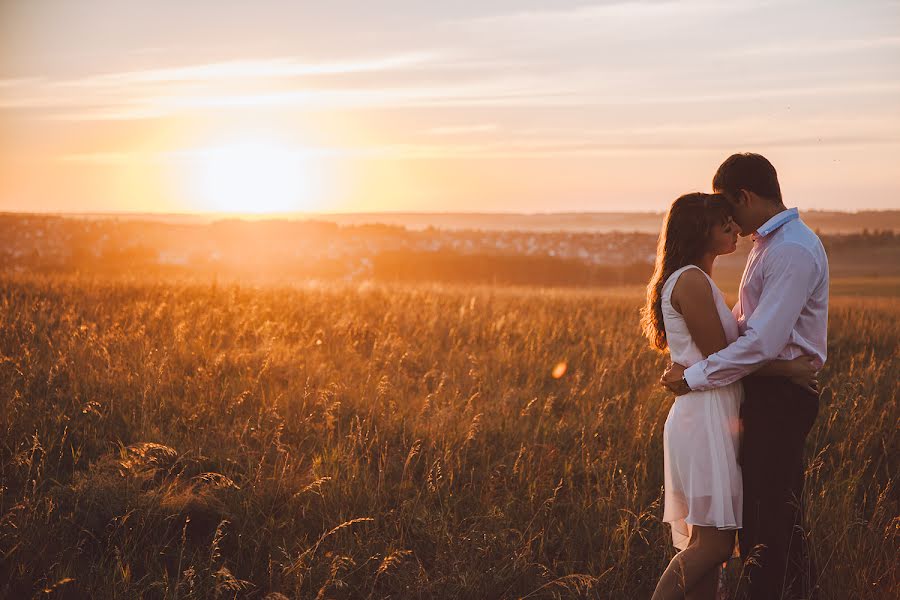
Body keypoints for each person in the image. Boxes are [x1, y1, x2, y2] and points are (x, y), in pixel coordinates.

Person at [660, 153, 828, 599]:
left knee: (768, 525)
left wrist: (693, 374)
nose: (729, 221)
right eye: (720, 221)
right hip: (741, 399)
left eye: (729, 209)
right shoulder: (767, 246)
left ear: (745, 196)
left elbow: (757, 343)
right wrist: (699, 370)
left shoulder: (788, 249)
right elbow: (742, 333)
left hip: (775, 398)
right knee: (753, 529)